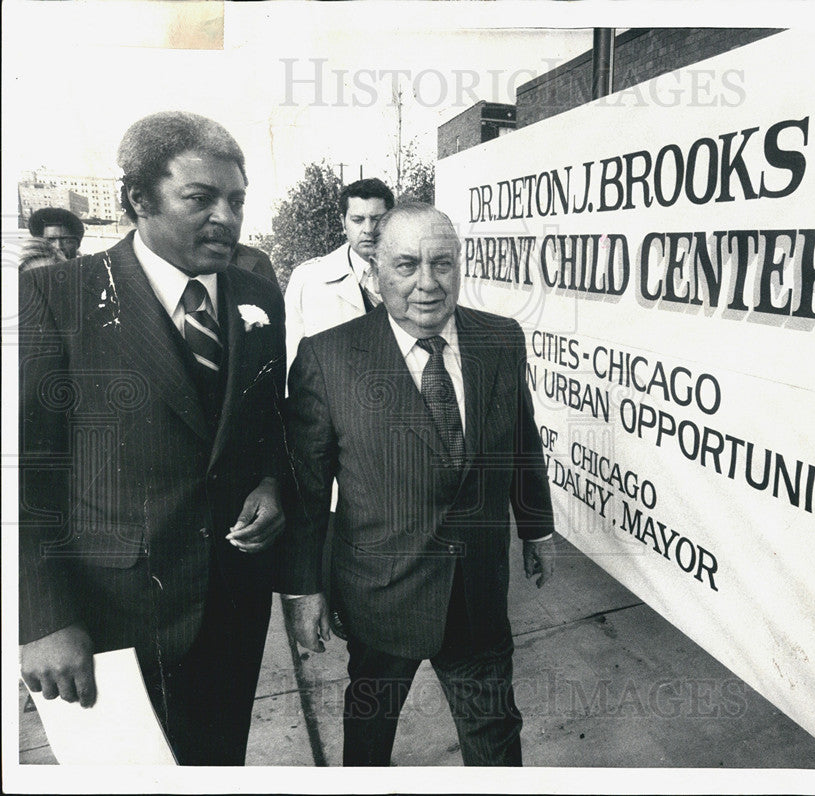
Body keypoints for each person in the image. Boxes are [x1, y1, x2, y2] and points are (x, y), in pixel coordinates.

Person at [19, 111, 288, 766]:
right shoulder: (57, 296)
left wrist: (273, 482)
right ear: (139, 199)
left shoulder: (259, 295)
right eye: (201, 198)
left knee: (217, 763)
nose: (226, 217)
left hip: (232, 606)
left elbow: (270, 419)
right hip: (113, 618)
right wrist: (41, 618)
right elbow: (23, 467)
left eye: (236, 200)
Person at [278, 202, 557, 766]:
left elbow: (521, 439)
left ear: (460, 266)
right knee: (369, 736)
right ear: (375, 269)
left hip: (477, 595)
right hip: (381, 596)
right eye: (406, 265)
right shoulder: (328, 358)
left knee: (497, 740)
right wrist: (302, 588)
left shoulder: (500, 339)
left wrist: (537, 529)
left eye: (443, 264)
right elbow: (307, 490)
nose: (427, 284)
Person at [283, 177, 394, 369]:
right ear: (343, 224)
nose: (368, 229)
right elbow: (291, 360)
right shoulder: (308, 280)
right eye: (358, 220)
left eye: (377, 219)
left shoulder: (415, 276)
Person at [20, 207, 85, 271]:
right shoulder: (29, 271)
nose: (58, 247)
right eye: (50, 240)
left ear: (77, 245)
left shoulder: (87, 270)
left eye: (67, 241)